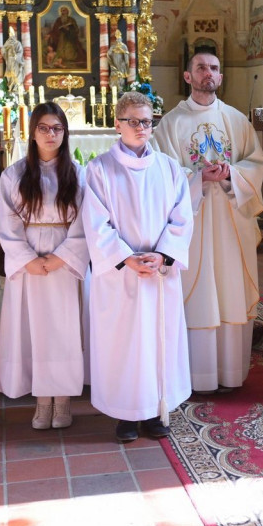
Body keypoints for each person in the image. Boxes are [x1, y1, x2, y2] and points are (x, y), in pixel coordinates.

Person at [152, 51, 263, 392]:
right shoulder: (170, 124)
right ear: (188, 76)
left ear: (221, 76)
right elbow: (162, 175)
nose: (209, 74)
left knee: (230, 287)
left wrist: (231, 173)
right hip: (195, 223)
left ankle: (231, 372)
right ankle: (196, 377)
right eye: (201, 68)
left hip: (232, 222)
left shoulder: (237, 121)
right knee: (197, 291)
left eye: (215, 68)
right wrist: (198, 178)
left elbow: (256, 164)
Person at [81, 92, 194, 442]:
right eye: (133, 121)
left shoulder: (169, 168)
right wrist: (126, 258)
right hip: (122, 275)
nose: (142, 128)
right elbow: (96, 223)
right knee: (125, 345)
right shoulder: (99, 169)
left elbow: (182, 218)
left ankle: (158, 411)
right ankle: (126, 415)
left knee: (159, 341)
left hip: (159, 273)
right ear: (117, 125)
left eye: (147, 121)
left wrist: (163, 255)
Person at [0, 103, 89, 429]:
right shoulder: (15, 174)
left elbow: (87, 222)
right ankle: (41, 400)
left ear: (65, 132)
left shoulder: (78, 173)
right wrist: (25, 259)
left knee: (63, 332)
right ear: (32, 132)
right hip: (30, 264)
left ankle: (62, 400)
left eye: (57, 129)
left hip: (65, 261)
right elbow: (6, 225)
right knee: (34, 330)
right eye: (44, 128)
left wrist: (62, 257)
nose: (51, 134)